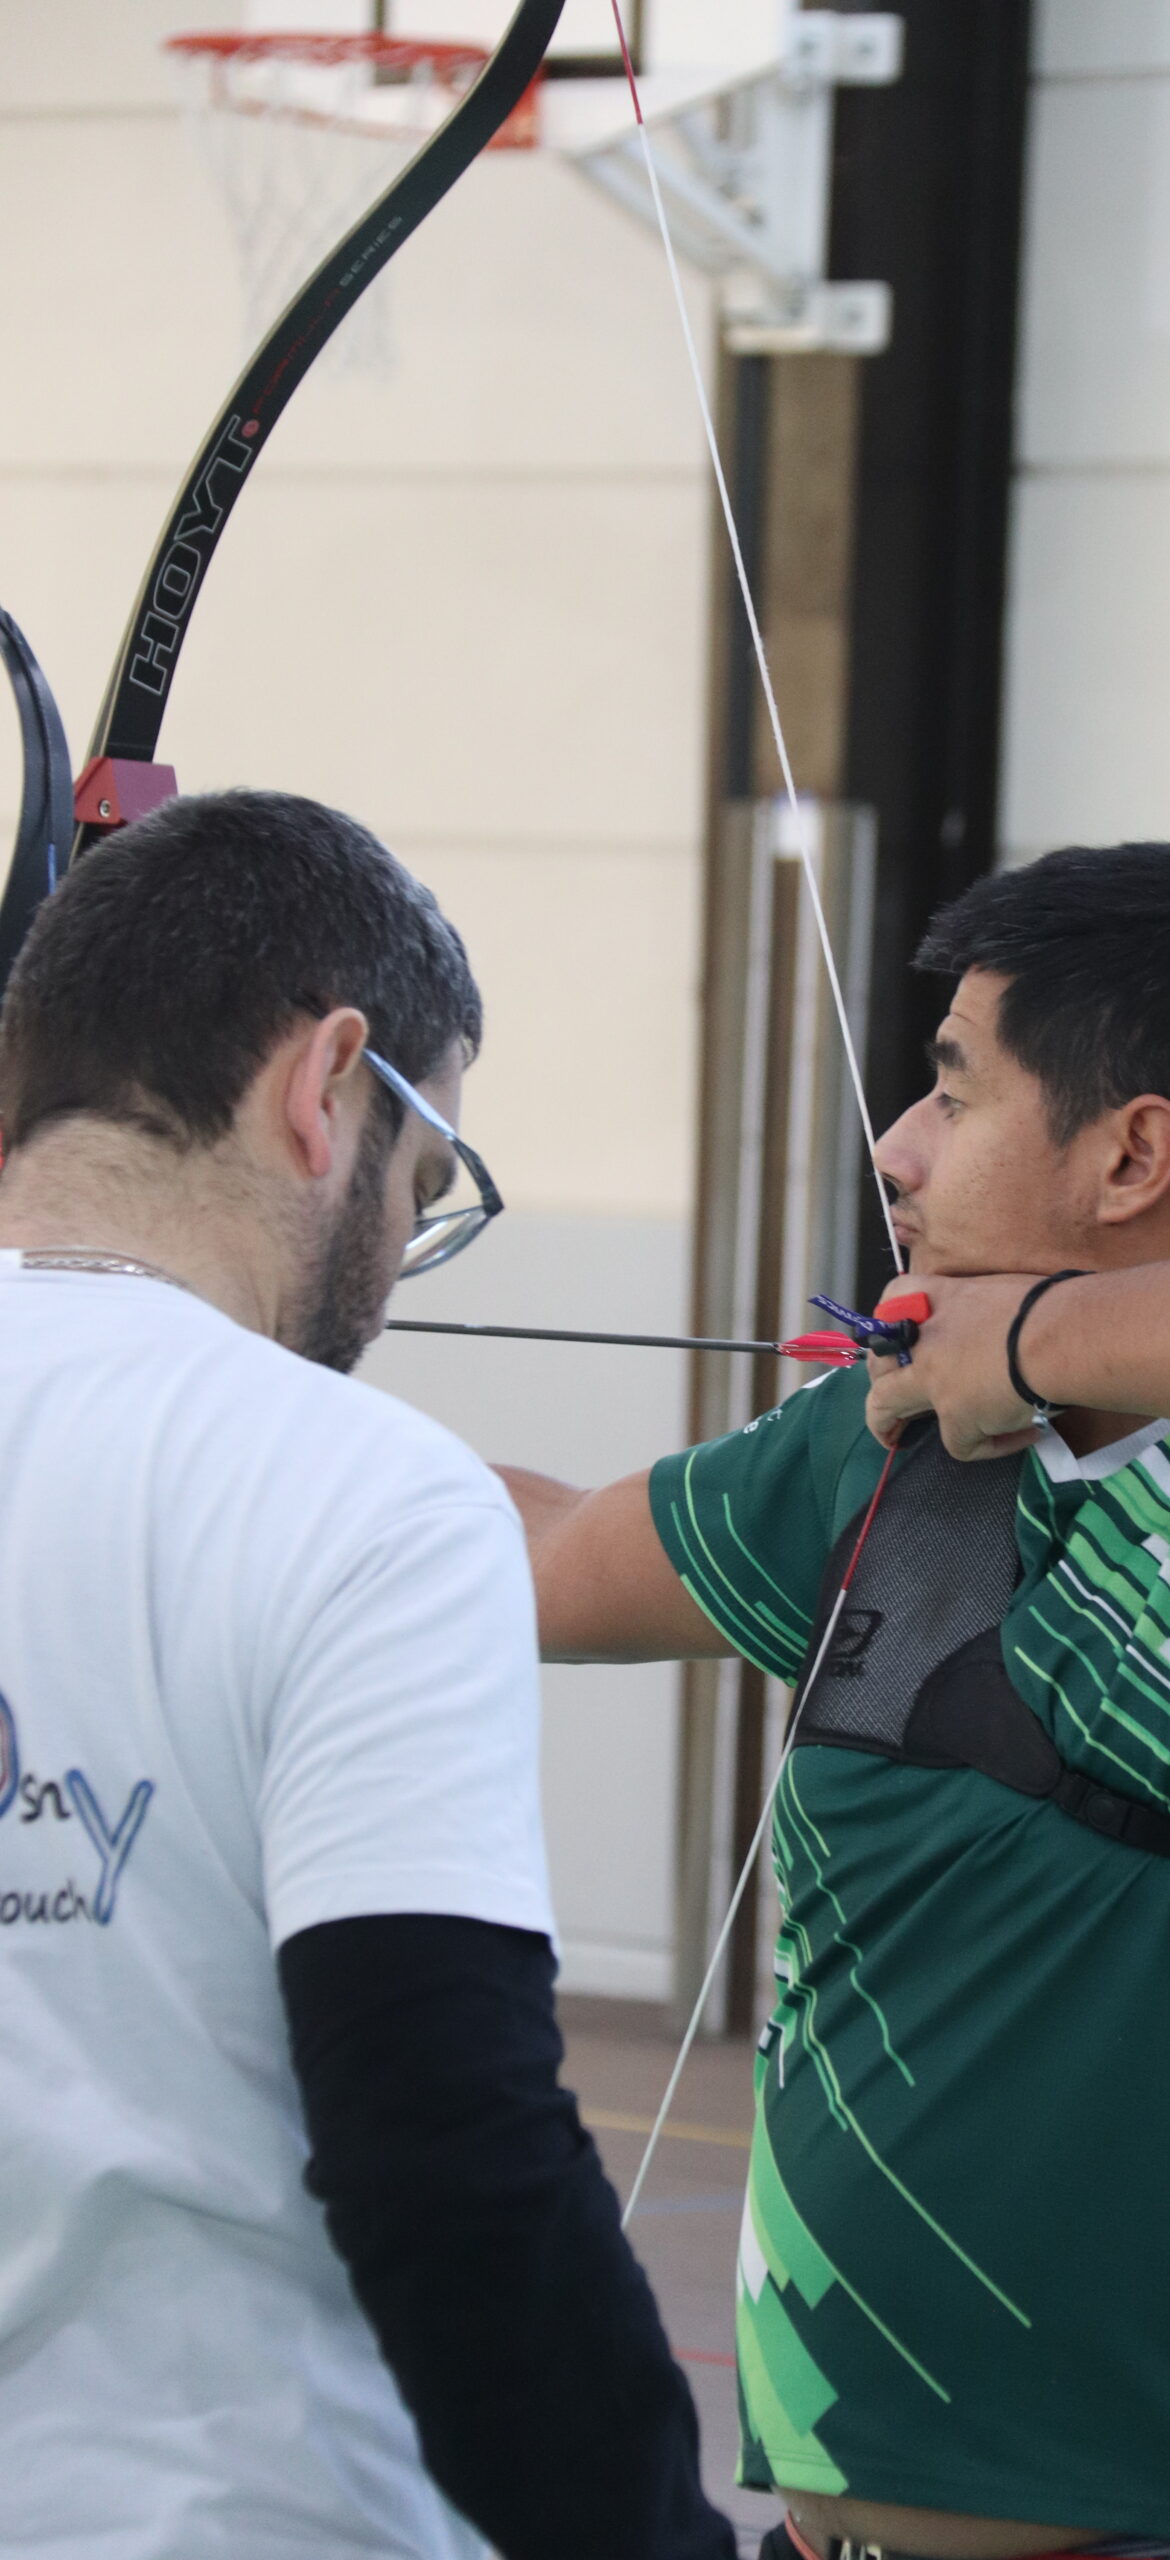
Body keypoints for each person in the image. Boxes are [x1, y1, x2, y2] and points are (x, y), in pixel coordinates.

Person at [504, 842, 1170, 2560]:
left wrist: (1020, 1344)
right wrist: (186, 1367)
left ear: (1132, 1153)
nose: (897, 1147)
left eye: (953, 1089)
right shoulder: (895, 1454)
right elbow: (536, 1557)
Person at [0, 789, 733, 2560]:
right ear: (327, 1083)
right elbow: (453, 2163)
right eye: (422, 1185)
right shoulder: (367, 1490)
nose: (398, 1260)